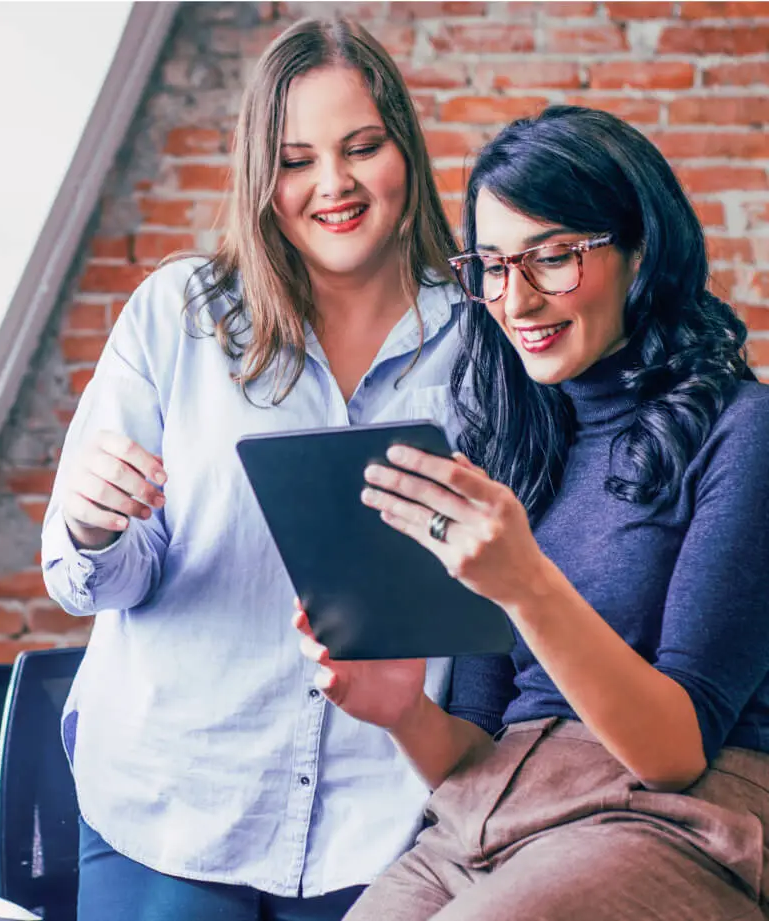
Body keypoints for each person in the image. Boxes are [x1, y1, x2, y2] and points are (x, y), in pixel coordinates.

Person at [296, 105, 769, 921]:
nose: (515, 299)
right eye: (491, 264)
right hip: (484, 818)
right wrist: (402, 710)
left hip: (666, 818)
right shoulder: (511, 447)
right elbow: (477, 740)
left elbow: (675, 749)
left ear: (640, 252)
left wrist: (526, 582)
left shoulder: (745, 429)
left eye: (551, 258)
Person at [41, 16, 464, 921]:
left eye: (361, 147)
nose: (334, 184)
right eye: (297, 158)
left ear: (406, 153)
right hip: (172, 799)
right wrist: (91, 523)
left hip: (386, 822)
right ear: (258, 176)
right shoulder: (178, 317)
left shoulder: (481, 346)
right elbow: (93, 580)